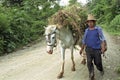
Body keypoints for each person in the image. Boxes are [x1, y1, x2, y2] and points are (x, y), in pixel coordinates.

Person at [80, 14, 107, 80]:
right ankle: (91, 74)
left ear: (94, 22)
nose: (90, 23)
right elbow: (84, 40)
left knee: (97, 62)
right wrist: (81, 49)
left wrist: (103, 48)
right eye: (88, 22)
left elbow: (102, 39)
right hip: (88, 49)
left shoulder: (98, 29)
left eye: (91, 21)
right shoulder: (86, 30)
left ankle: (100, 69)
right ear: (87, 23)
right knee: (89, 62)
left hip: (97, 49)